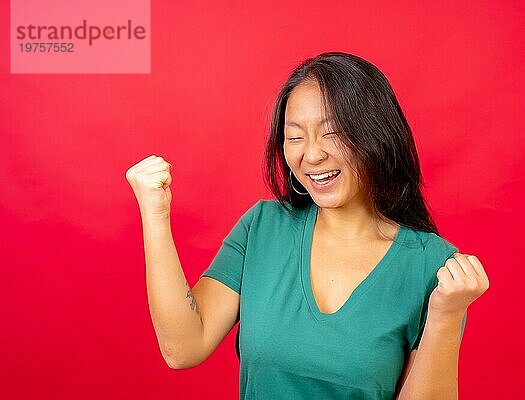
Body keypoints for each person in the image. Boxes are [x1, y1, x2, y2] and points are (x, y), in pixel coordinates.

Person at [126, 51, 489, 400]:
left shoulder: (433, 266)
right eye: (295, 136)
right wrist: (155, 215)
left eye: (331, 134)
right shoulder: (262, 228)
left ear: (376, 135)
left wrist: (446, 316)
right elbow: (183, 348)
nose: (311, 155)